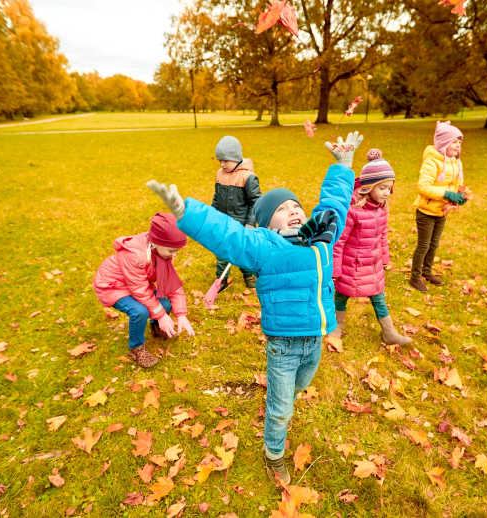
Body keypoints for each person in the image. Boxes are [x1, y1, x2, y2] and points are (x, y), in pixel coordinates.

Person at [147, 132, 363, 486]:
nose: (293, 211)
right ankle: (273, 453)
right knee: (281, 409)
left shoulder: (322, 239)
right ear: (267, 225)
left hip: (315, 342)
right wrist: (188, 212)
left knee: (299, 387)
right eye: (281, 210)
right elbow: (227, 234)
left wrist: (343, 166)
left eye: (296, 206)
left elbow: (334, 204)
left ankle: (282, 398)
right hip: (283, 346)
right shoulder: (264, 247)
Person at [330, 149, 411, 346]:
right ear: (368, 187)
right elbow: (339, 241)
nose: (387, 192)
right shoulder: (354, 210)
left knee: (378, 297)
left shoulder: (381, 208)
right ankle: (336, 327)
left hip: (372, 264)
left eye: (389, 188)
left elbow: (382, 235)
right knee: (342, 295)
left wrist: (384, 259)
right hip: (352, 264)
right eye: (382, 188)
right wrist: (336, 268)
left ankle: (389, 332)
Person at [93, 213, 195, 368]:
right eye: (171, 251)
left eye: (177, 251)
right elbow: (139, 290)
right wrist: (161, 315)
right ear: (156, 243)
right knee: (139, 311)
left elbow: (172, 285)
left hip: (136, 285)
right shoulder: (136, 256)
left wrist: (181, 315)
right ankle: (136, 348)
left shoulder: (162, 252)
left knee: (165, 304)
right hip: (113, 286)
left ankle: (157, 327)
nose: (174, 255)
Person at [409, 121, 467, 292]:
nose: (458, 145)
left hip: (442, 211)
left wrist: (459, 197)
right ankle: (415, 277)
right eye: (454, 142)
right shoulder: (432, 162)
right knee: (424, 245)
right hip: (426, 211)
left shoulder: (456, 162)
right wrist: (447, 194)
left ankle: (427, 272)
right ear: (443, 143)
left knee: (434, 244)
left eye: (459, 142)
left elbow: (457, 184)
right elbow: (423, 187)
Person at [211, 135, 262, 290]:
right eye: (220, 161)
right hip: (223, 221)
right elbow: (217, 197)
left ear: (236, 159)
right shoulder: (220, 174)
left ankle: (249, 276)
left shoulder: (248, 177)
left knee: (242, 252)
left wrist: (250, 223)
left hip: (241, 223)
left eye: (226, 161)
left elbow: (256, 202)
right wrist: (212, 214)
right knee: (222, 251)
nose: (222, 164)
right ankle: (221, 280)